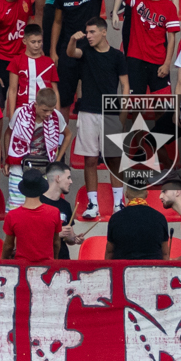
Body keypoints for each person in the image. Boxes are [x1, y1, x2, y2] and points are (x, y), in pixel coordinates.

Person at [68, 16, 127, 215]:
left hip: (110, 113)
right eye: (87, 32)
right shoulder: (84, 51)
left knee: (114, 159)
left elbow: (125, 86)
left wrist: (122, 114)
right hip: (88, 111)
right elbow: (71, 52)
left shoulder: (117, 56)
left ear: (104, 32)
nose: (89, 36)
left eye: (92, 32)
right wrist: (73, 39)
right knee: (90, 160)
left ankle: (119, 204)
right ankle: (93, 205)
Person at [1, 171, 65, 262]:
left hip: (22, 266)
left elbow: (8, 246)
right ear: (41, 188)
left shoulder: (12, 215)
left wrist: (3, 260)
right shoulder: (54, 212)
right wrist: (55, 260)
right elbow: (56, 243)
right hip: (47, 266)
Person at [107, 189, 170, 259]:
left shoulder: (115, 218)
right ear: (146, 194)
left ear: (126, 194)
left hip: (123, 265)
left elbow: (110, 252)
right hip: (152, 265)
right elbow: (165, 253)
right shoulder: (160, 218)